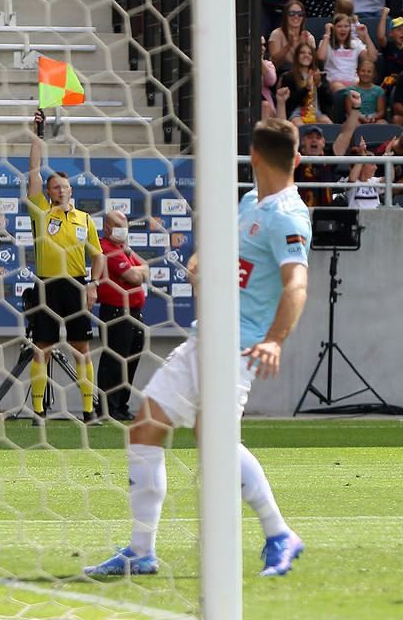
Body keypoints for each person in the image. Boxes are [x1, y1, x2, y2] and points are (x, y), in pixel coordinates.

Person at [84, 118, 312, 578]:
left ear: (252, 156)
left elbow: (297, 284)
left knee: (216, 444)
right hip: (205, 337)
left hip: (238, 348)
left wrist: (274, 340)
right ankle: (140, 550)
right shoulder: (251, 201)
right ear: (296, 158)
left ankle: (278, 532)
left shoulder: (288, 214)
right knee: (146, 427)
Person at [25, 111, 106, 427]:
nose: (61, 191)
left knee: (82, 348)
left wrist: (93, 283)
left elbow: (98, 256)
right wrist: (38, 133)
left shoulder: (84, 220)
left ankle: (88, 412)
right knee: (41, 348)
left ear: (72, 191)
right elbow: (33, 171)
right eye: (55, 187)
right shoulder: (41, 211)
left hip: (76, 285)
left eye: (65, 187)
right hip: (46, 285)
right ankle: (38, 413)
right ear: (47, 192)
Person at [95, 210, 149, 423]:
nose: (123, 228)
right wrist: (138, 271)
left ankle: (121, 406)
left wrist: (139, 270)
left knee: (130, 361)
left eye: (125, 223)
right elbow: (136, 277)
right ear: (107, 227)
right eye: (118, 224)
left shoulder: (122, 248)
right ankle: (108, 408)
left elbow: (145, 267)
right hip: (116, 313)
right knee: (114, 362)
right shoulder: (107, 248)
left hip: (134, 314)